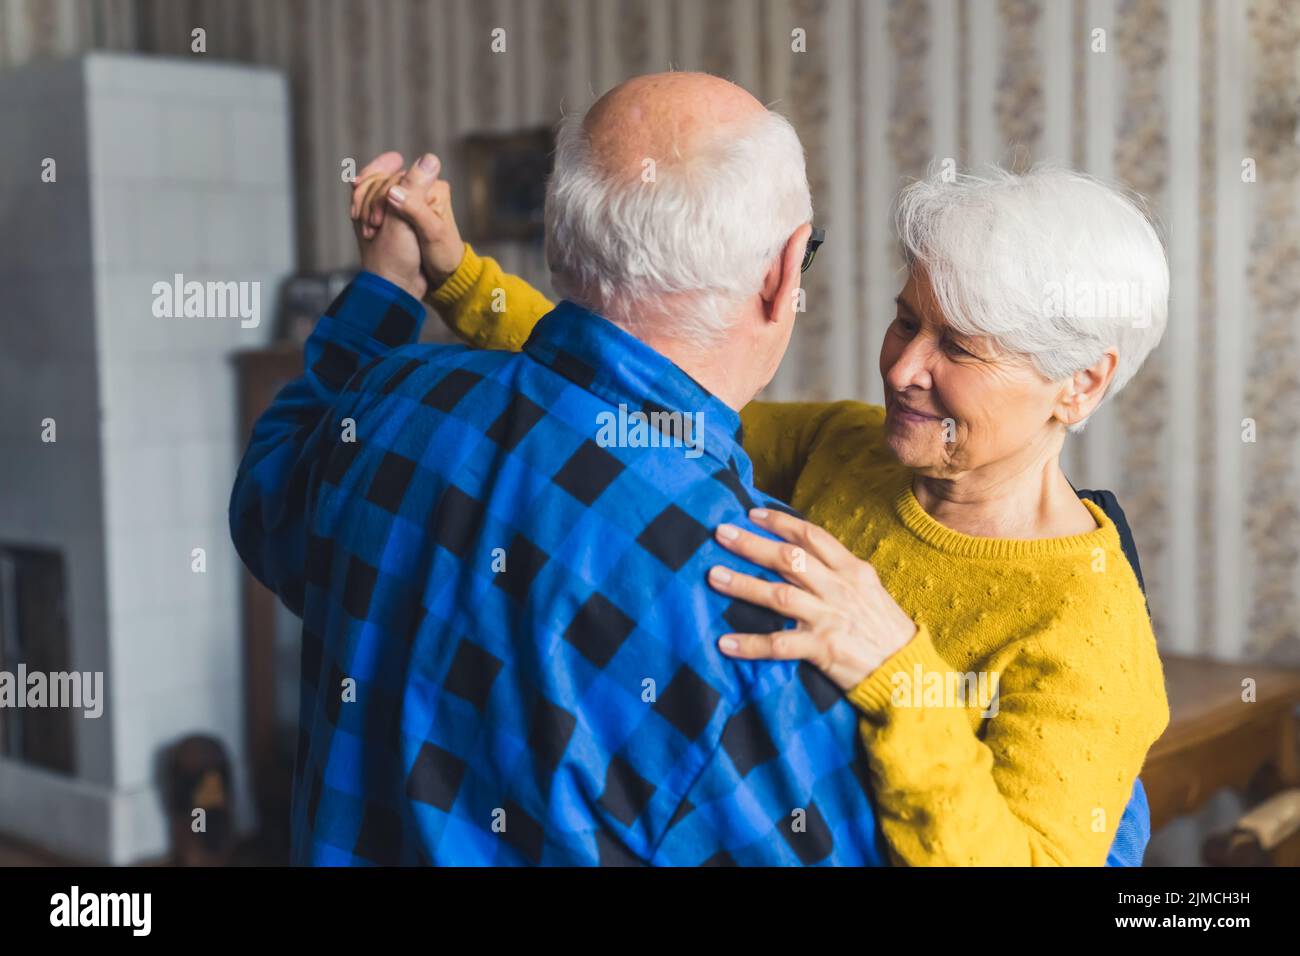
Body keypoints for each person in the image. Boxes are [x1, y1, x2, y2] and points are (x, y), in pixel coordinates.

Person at [358, 130, 1170, 865]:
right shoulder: (847, 446)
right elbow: (635, 394)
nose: (901, 369)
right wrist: (457, 274)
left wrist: (898, 671)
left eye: (956, 347)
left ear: (1082, 382)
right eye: (904, 321)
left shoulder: (1088, 628)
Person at [232, 71, 897, 865]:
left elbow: (264, 495)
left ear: (556, 246)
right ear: (783, 274)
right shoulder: (755, 608)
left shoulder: (388, 403)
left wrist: (385, 283)